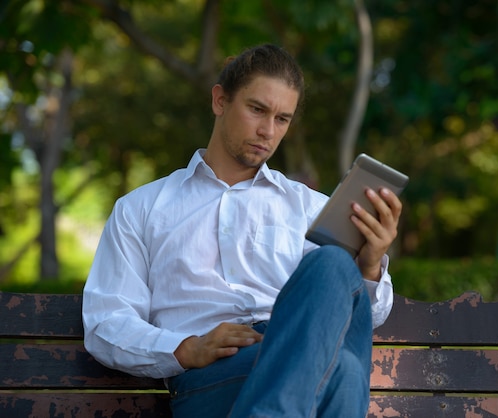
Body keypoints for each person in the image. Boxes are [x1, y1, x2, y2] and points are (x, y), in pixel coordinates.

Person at [82, 44, 403, 418]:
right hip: (214, 378)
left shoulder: (310, 208)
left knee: (333, 264)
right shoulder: (141, 209)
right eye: (257, 110)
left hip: (300, 348)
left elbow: (364, 315)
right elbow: (107, 323)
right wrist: (186, 348)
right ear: (220, 100)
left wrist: (368, 266)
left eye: (282, 119)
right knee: (344, 373)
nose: (268, 131)